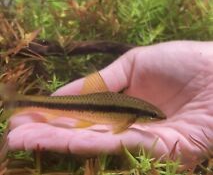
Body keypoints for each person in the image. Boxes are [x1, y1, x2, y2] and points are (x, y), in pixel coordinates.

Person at [8, 41, 213, 165]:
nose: (155, 119)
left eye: (154, 117)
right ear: (141, 116)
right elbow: (119, 129)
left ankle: (21, 103)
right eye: (153, 116)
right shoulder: (131, 114)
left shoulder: (134, 111)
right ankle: (20, 103)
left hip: (86, 106)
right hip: (85, 106)